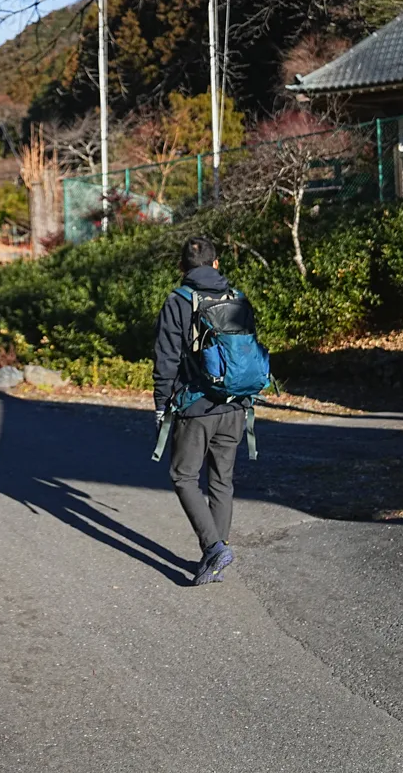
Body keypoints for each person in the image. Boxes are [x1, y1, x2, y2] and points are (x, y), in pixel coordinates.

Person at [153, 236, 262, 585]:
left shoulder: (178, 301)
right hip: (236, 403)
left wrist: (160, 404)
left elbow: (166, 358)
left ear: (183, 267)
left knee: (182, 476)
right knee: (221, 480)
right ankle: (216, 550)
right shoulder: (238, 298)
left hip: (195, 407)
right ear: (216, 264)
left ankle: (214, 547)